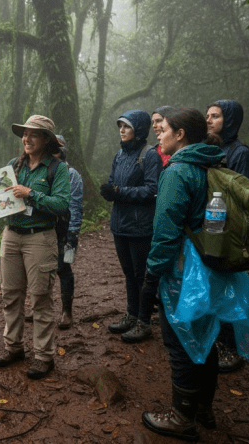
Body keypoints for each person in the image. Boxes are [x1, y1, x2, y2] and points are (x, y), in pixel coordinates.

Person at [141, 107, 225, 442]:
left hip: (182, 269)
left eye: (164, 129)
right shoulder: (211, 161)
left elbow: (165, 233)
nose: (158, 133)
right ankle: (203, 407)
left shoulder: (177, 171)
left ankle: (181, 417)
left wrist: (151, 276)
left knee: (179, 339)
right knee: (205, 334)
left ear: (181, 135)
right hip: (208, 261)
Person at [0, 115, 70, 380]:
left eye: (33, 135)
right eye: (24, 134)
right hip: (11, 235)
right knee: (10, 294)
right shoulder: (13, 166)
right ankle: (13, 347)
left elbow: (61, 204)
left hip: (40, 237)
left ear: (46, 140)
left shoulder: (57, 169)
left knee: (40, 297)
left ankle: (43, 356)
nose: (26, 139)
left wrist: (31, 194)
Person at [100, 109, 161, 343]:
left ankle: (144, 322)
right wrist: (110, 191)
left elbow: (152, 190)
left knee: (141, 275)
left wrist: (119, 192)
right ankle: (131, 314)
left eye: (127, 126)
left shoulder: (150, 155)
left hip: (140, 226)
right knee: (128, 274)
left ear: (139, 129)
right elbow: (114, 182)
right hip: (119, 224)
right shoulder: (119, 155)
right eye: (120, 126)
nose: (122, 130)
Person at [205, 99, 249, 373]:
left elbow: (244, 196)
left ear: (231, 120)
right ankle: (219, 342)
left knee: (229, 291)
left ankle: (234, 349)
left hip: (230, 232)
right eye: (208, 115)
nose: (209, 120)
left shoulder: (240, 153)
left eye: (216, 116)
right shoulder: (213, 148)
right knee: (215, 288)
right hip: (212, 228)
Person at [54, 135, 84, 330]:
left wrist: (73, 233)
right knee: (42, 269)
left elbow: (75, 205)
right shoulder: (41, 171)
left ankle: (67, 311)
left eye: (58, 148)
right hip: (45, 229)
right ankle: (43, 308)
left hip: (65, 230)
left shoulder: (71, 174)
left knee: (64, 268)